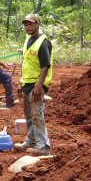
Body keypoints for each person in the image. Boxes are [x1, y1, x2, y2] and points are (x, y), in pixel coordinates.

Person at [14, 13, 53, 155]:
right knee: (29, 114)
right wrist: (20, 82)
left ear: (38, 24)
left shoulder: (43, 42)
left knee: (37, 115)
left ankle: (43, 146)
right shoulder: (28, 39)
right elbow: (26, 62)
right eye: (26, 24)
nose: (28, 27)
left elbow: (45, 66)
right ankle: (31, 140)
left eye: (31, 23)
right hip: (27, 83)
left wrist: (39, 86)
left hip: (37, 84)